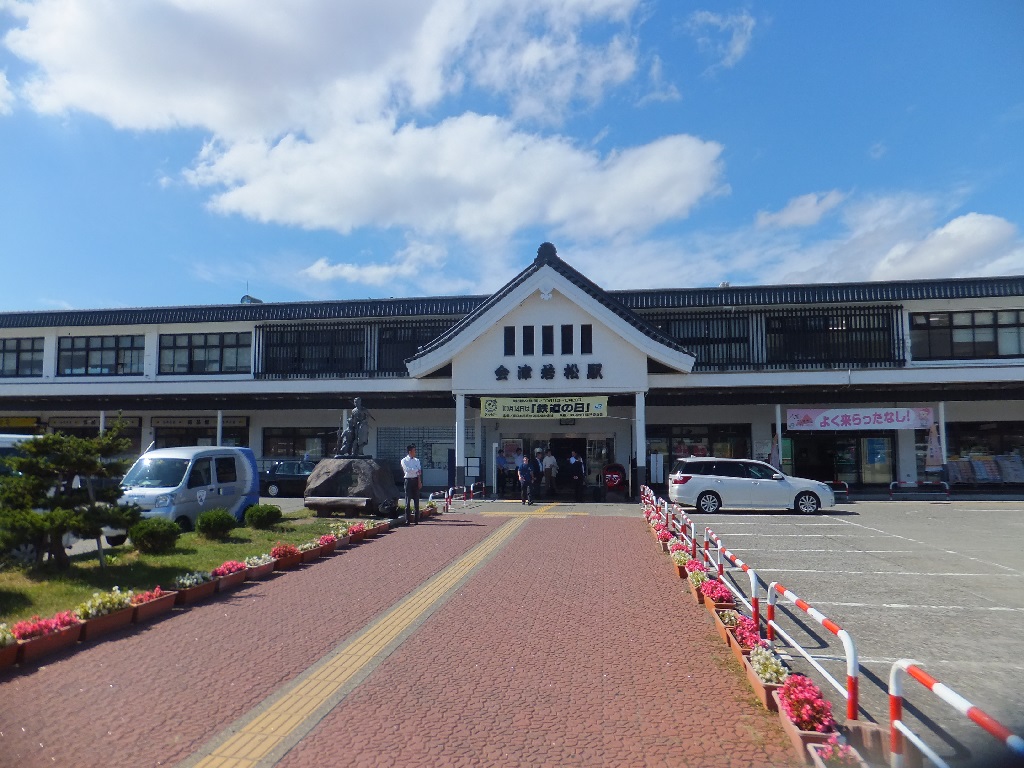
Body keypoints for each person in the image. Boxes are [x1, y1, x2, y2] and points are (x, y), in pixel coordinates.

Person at [400, 444, 422, 525]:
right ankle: (407, 520)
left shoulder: (417, 460)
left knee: (416, 501)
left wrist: (419, 481)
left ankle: (416, 519)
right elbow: (407, 470)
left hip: (416, 480)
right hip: (408, 481)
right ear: (410, 452)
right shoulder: (404, 460)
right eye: (414, 450)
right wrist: (415, 470)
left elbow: (419, 471)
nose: (415, 452)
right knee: (407, 501)